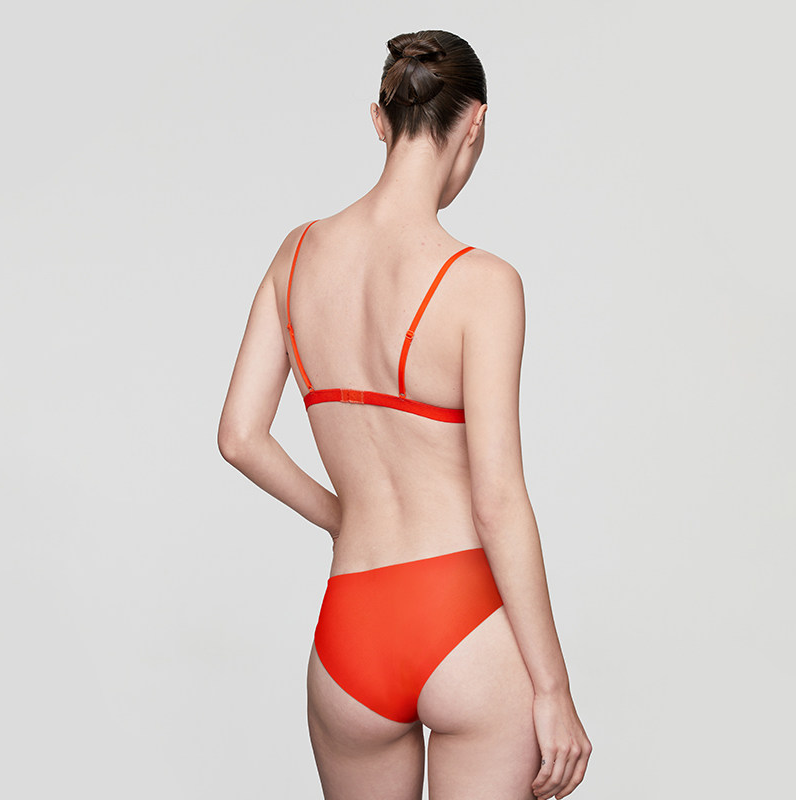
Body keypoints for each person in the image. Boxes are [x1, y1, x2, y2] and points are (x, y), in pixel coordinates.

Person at [218, 29, 592, 800]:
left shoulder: (295, 256)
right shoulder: (484, 284)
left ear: (379, 120)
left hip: (351, 632)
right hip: (465, 625)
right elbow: (497, 501)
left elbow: (240, 437)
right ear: (475, 123)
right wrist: (553, 690)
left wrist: (341, 517)